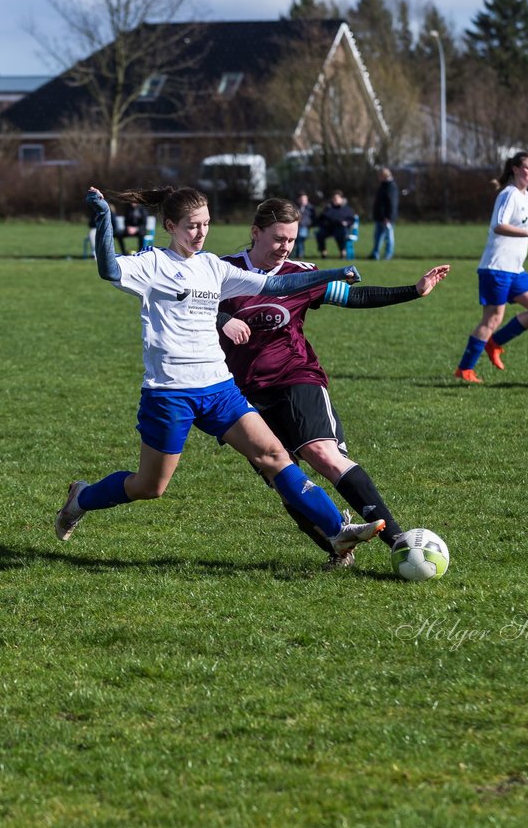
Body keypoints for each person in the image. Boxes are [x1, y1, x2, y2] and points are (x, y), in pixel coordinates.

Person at [56, 185, 387, 565]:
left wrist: (333, 275)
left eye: (206, 224)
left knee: (274, 455)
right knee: (149, 486)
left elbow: (275, 284)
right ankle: (81, 497)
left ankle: (336, 531)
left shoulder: (212, 266)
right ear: (170, 225)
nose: (200, 233)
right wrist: (103, 221)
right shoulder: (151, 264)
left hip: (218, 388)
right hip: (169, 393)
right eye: (192, 226)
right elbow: (108, 269)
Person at [219, 198, 449, 565]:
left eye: (292, 239)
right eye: (278, 238)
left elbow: (353, 296)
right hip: (241, 391)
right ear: (255, 233)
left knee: (323, 454)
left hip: (296, 375)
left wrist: (413, 290)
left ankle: (398, 541)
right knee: (281, 477)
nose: (285, 247)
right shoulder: (221, 272)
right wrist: (220, 321)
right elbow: (183, 307)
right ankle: (336, 549)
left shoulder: (301, 274)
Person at [453, 151, 528, 383]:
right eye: (527, 168)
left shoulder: (526, 196)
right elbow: (499, 225)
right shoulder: (509, 194)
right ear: (515, 169)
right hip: (496, 267)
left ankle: (495, 343)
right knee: (491, 320)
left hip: (515, 269)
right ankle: (464, 369)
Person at [314, 190, 356, 259]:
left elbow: (351, 220)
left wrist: (346, 223)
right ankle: (323, 252)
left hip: (340, 228)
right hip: (328, 228)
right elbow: (321, 218)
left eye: (336, 198)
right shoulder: (328, 208)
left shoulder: (347, 209)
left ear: (341, 199)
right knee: (320, 234)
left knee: (341, 234)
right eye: (333, 199)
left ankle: (343, 252)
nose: (335, 200)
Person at [368, 168, 398, 260]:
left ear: (384, 176)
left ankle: (388, 255)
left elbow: (392, 203)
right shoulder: (383, 185)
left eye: (379, 176)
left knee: (388, 237)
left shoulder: (391, 186)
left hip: (386, 218)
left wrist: (388, 217)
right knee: (378, 237)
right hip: (380, 217)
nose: (378, 178)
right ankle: (375, 254)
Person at [292, 192, 315, 259]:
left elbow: (312, 219)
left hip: (305, 227)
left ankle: (299, 255)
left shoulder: (311, 208)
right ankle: (296, 255)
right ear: (298, 200)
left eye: (305, 199)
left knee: (300, 237)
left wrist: (305, 223)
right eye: (302, 199)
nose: (303, 201)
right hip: (296, 227)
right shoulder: (295, 207)